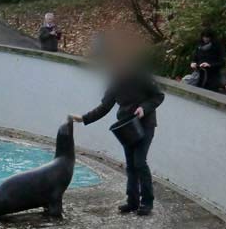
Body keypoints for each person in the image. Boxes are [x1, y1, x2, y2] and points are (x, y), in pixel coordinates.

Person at [69, 52, 165, 217]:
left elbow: (158, 96)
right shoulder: (115, 83)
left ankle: (147, 202)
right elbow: (104, 107)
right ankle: (132, 201)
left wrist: (144, 108)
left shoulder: (141, 77)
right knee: (131, 164)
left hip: (145, 124)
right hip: (126, 126)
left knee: (140, 162)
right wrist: (84, 118)